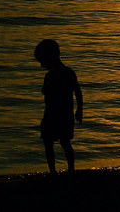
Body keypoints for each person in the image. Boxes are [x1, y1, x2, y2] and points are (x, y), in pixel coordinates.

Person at [34, 39, 83, 174]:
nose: (42, 65)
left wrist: (79, 110)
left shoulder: (51, 75)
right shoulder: (68, 72)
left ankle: (54, 171)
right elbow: (78, 92)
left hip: (53, 114)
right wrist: (79, 110)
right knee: (63, 142)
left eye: (42, 61)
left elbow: (47, 95)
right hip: (64, 113)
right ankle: (70, 170)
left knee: (51, 142)